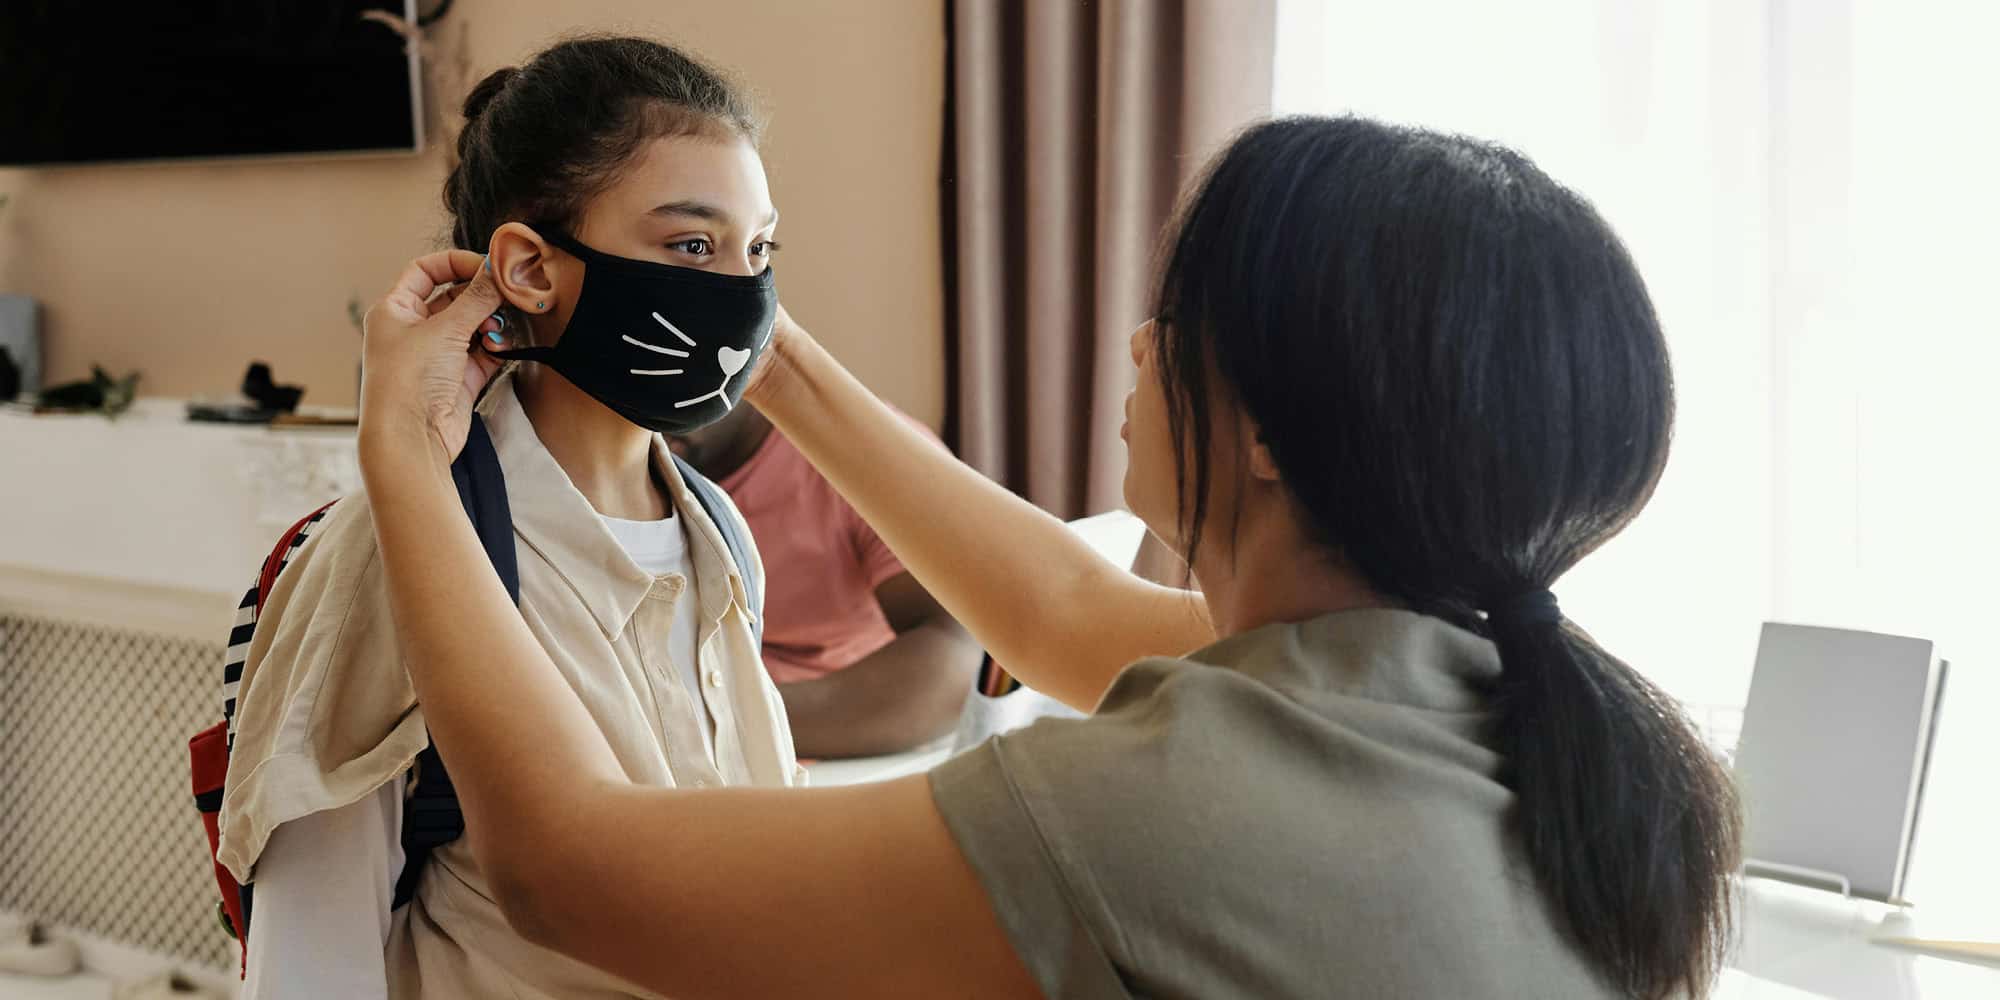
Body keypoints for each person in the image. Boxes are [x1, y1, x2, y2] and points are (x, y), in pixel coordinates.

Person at [356, 117, 1743, 998]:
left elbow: (568, 872)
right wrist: (741, 327)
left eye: (1173, 317)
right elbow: (1064, 607)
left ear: (1264, 430)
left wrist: (407, 451)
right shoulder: (1488, 701)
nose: (1138, 346)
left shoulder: (1169, 814)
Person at [217, 37, 804, 998]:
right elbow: (311, 961)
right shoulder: (396, 544)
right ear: (530, 268)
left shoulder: (719, 533)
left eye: (760, 248)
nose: (741, 291)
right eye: (691, 245)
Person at [670, 406, 986, 757]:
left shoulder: (867, 451)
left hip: (834, 753)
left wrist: (721, 717)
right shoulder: (637, 458)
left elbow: (963, 660)